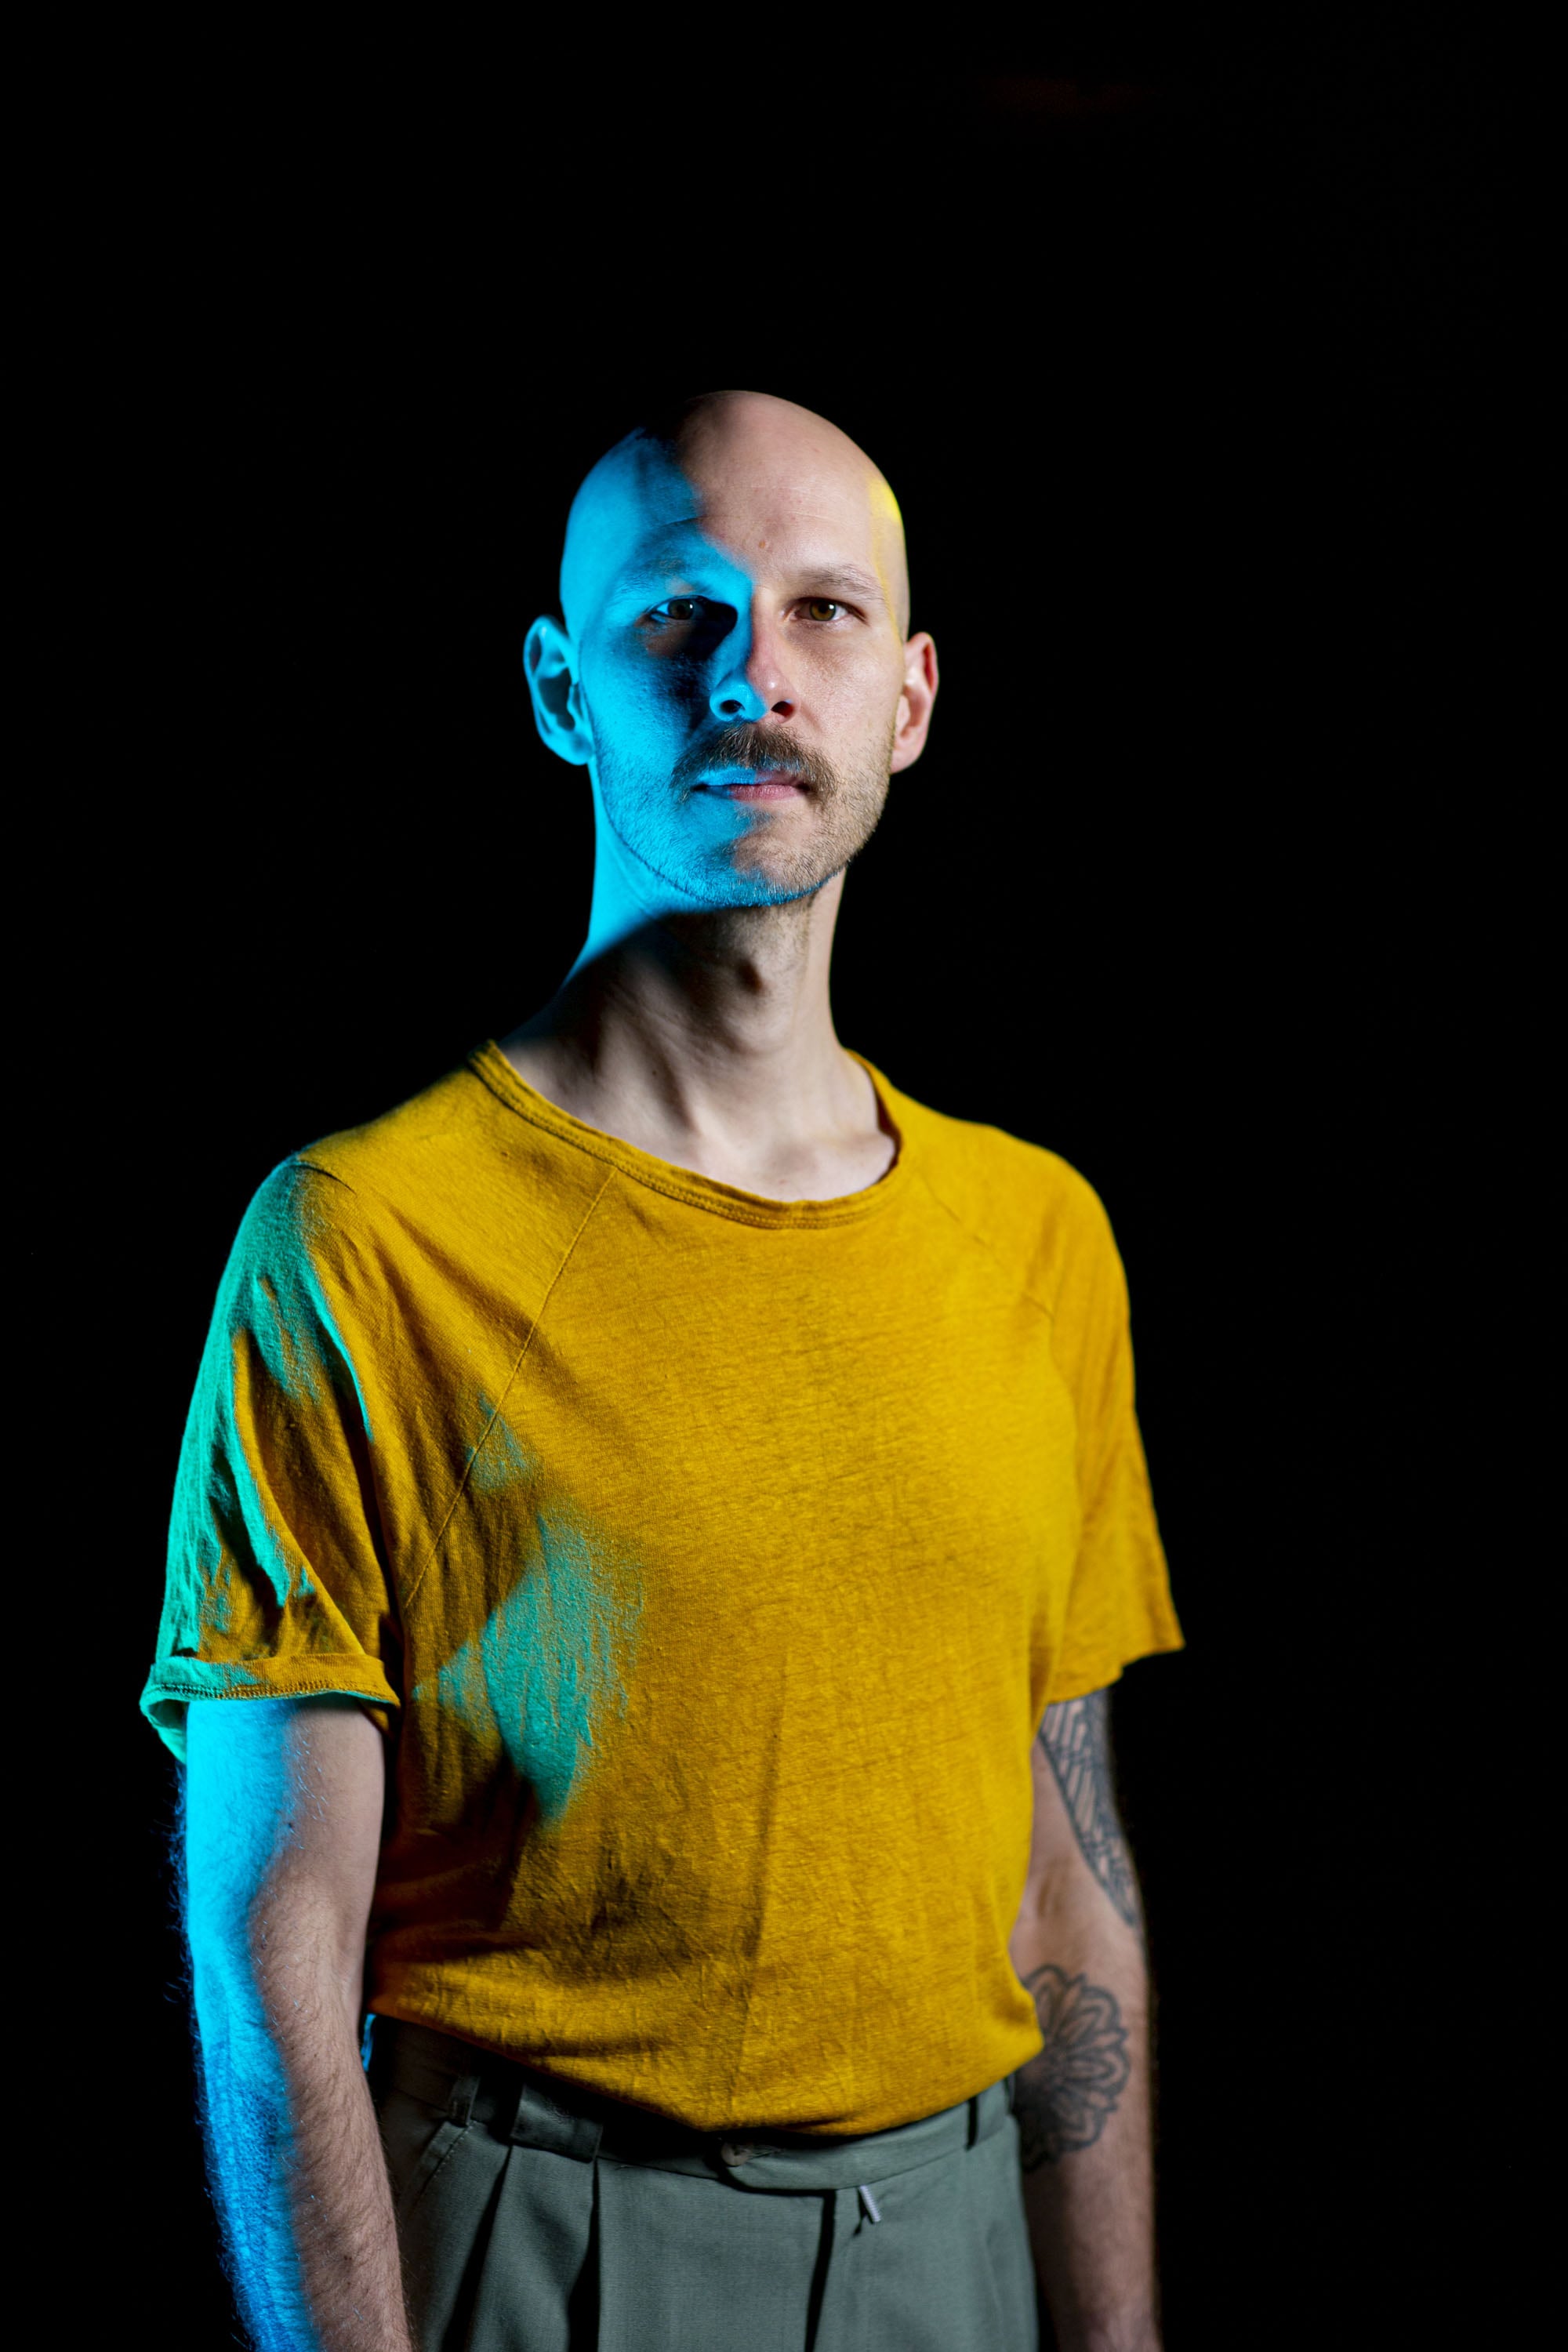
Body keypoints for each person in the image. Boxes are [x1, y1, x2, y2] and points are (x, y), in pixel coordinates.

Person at [145, 390, 1183, 2351]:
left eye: (820, 615)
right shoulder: (366, 1238)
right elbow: (273, 1947)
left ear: (912, 698)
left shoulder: (1041, 1235)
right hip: (536, 2257)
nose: (754, 678)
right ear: (559, 689)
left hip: (952, 2253)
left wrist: (1108, 2334)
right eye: (677, 618)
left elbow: (1067, 1880)